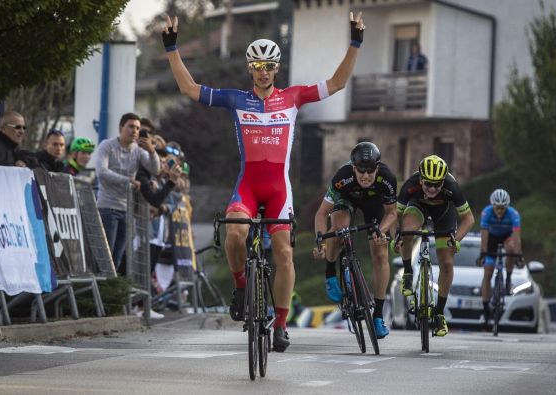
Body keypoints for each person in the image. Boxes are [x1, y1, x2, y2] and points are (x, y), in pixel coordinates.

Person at [161, 11, 365, 352]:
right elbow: (189, 88)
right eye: (257, 66)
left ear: (276, 68)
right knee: (235, 233)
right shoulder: (236, 99)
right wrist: (171, 47)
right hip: (248, 186)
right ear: (250, 69)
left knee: (284, 253)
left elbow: (337, 83)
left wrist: (355, 42)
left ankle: (281, 325)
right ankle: (241, 286)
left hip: (278, 191)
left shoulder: (294, 97)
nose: (263, 71)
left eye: (269, 66)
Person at [312, 142, 397, 339]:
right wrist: (320, 243)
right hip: (346, 200)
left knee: (380, 252)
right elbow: (321, 213)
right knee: (340, 227)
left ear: (377, 167)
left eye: (370, 171)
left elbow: (392, 213)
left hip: (374, 204)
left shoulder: (387, 179)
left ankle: (377, 317)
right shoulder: (342, 177)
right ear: (353, 168)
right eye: (361, 171)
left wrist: (380, 230)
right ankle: (331, 273)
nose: (366, 176)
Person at [393, 155, 475, 337]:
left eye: (437, 185)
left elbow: (469, 219)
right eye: (428, 184)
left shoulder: (452, 187)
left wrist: (456, 239)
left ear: (443, 181)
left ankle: (439, 312)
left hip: (443, 214)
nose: (432, 189)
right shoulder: (410, 184)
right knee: (406, 231)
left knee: (446, 263)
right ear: (421, 179)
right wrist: (396, 236)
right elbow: (394, 214)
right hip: (417, 207)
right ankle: (408, 271)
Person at [95, 112, 160, 274]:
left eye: (137, 128)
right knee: (106, 255)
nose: (135, 131)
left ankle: (108, 293)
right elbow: (101, 172)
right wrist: (128, 181)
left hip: (127, 210)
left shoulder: (138, 151)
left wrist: (152, 151)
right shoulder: (107, 145)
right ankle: (99, 291)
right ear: (120, 128)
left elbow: (156, 169)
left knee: (117, 257)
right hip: (107, 207)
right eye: (131, 126)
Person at [477, 188, 523, 326]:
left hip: (507, 237)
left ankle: (508, 278)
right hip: (491, 238)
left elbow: (516, 237)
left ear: (507, 207)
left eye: (503, 209)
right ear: (493, 206)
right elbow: (484, 234)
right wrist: (483, 253)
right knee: (488, 272)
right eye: (497, 208)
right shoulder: (486, 212)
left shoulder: (514, 214)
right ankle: (485, 309)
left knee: (511, 249)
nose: (500, 211)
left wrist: (518, 254)